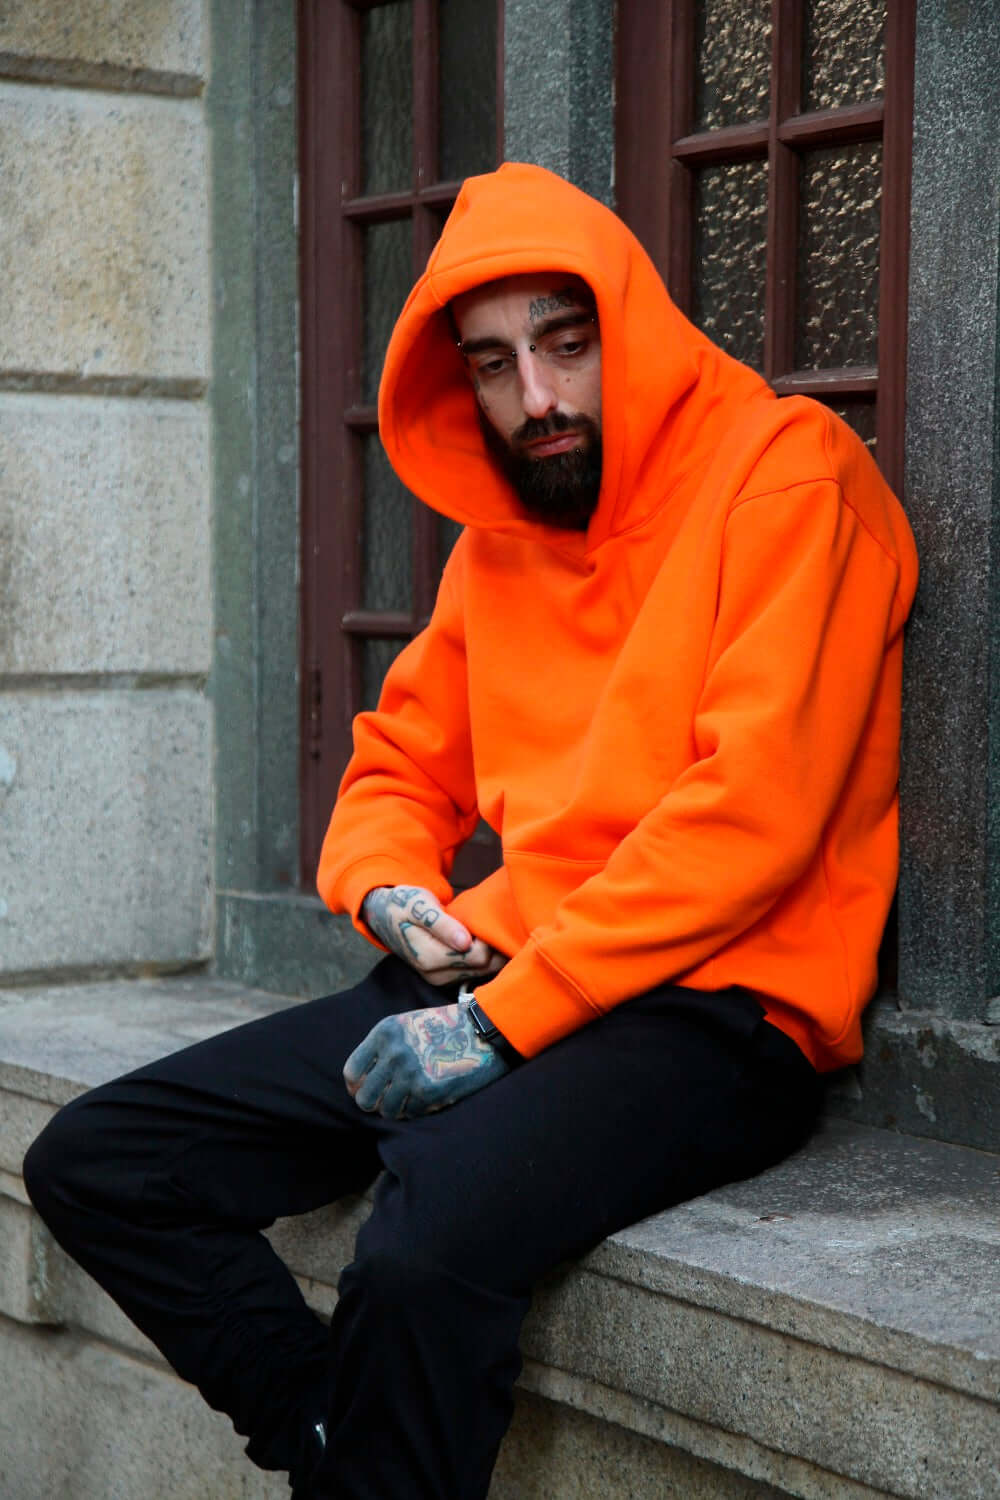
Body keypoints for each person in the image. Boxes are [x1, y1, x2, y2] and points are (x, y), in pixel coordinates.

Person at [23, 163, 918, 1500]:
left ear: (630, 323)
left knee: (421, 1249)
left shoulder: (789, 472)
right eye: (494, 365)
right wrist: (387, 891)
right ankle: (336, 1444)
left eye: (565, 343)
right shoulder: (500, 537)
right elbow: (398, 758)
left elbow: (753, 821)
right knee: (101, 1160)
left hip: (717, 1005)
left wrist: (500, 1028)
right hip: (504, 972)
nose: (536, 398)